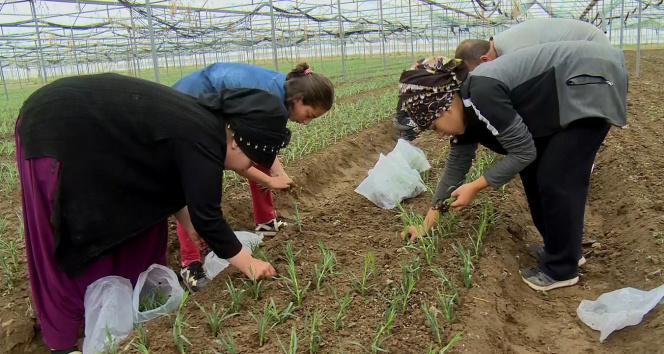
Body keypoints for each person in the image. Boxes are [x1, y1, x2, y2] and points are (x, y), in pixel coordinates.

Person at [15, 73, 291, 354]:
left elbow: (165, 181)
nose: (246, 168)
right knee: (70, 231)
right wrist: (249, 264)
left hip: (101, 141)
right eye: (250, 160)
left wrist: (189, 223)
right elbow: (209, 218)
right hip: (58, 128)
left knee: (138, 222)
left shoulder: (204, 125)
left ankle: (126, 314)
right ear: (235, 141)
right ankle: (63, 343)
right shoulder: (204, 138)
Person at [400, 41, 627, 292]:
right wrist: (427, 222)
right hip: (570, 89)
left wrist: (476, 186)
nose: (438, 133)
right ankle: (560, 247)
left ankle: (562, 268)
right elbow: (457, 165)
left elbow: (523, 150)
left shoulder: (481, 93)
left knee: (556, 175)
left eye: (434, 125)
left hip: (588, 82)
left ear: (445, 103)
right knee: (532, 171)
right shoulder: (465, 109)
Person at [171, 62, 334, 291]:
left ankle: (265, 221)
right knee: (193, 183)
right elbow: (236, 158)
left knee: (253, 156)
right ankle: (191, 263)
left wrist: (281, 173)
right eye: (309, 115)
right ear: (298, 100)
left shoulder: (282, 92)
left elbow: (260, 149)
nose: (306, 122)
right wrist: (269, 180)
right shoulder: (269, 99)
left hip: (207, 105)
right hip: (190, 105)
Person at [455, 18, 611, 71]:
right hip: (583, 55)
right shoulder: (505, 42)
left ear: (484, 60)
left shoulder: (515, 50)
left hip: (595, 52)